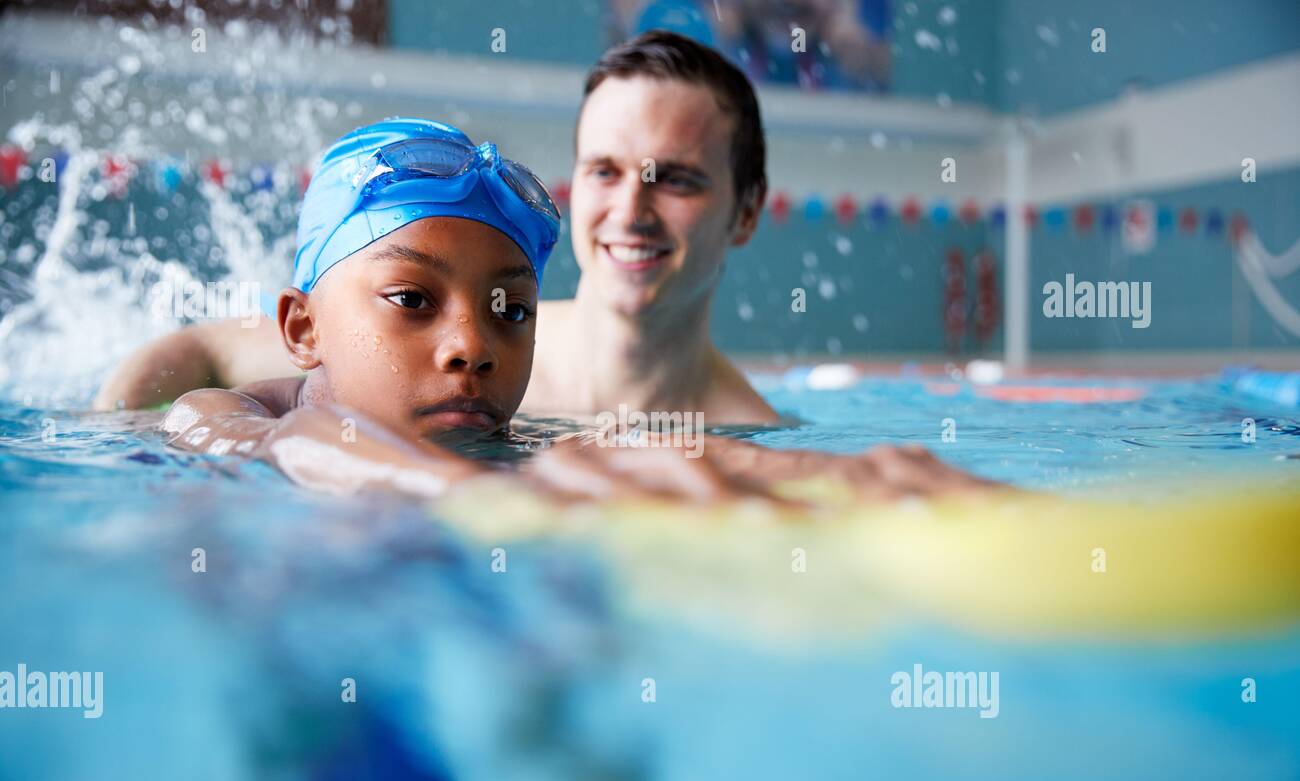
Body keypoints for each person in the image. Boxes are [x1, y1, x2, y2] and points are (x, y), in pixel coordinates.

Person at [161, 117, 995, 504]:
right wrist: (490, 501)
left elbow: (630, 442)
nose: (471, 347)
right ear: (303, 329)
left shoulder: (506, 437)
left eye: (511, 312)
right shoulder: (223, 411)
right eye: (413, 300)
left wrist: (846, 473)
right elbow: (297, 445)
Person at [97, 31, 783, 423]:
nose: (631, 210)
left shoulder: (738, 434)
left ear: (747, 211)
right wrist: (116, 454)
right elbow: (198, 351)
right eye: (605, 172)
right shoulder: (406, 334)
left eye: (678, 180)